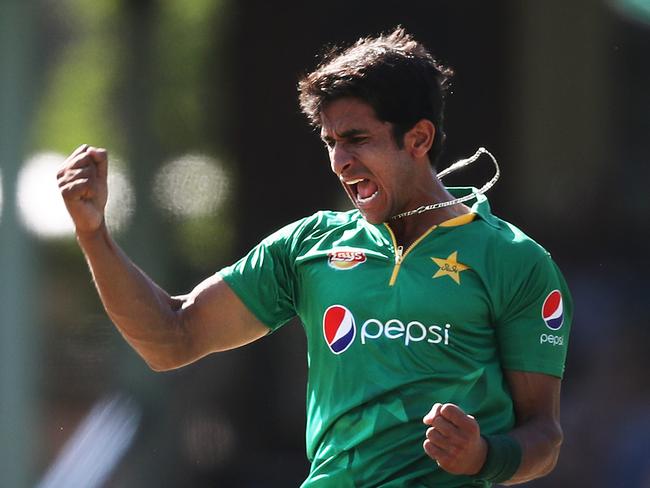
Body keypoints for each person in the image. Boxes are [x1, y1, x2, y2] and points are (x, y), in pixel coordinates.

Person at [57, 28, 572, 488]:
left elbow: (543, 438)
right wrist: (94, 235)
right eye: (330, 142)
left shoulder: (515, 261)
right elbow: (172, 338)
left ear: (418, 138)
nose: (340, 161)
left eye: (357, 139)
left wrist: (485, 456)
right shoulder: (308, 246)